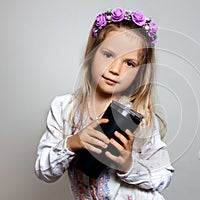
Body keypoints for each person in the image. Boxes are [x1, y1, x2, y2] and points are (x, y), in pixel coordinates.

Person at [35, 7, 174, 199]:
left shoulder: (142, 117)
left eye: (129, 63)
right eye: (108, 55)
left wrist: (128, 165)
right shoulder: (63, 108)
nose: (115, 69)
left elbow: (164, 176)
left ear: (140, 72)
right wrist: (73, 142)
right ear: (92, 53)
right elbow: (43, 171)